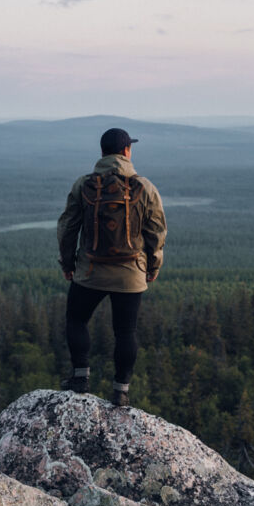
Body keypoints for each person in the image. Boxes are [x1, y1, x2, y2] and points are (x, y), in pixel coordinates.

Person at [56, 127, 167, 407]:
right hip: (131, 274)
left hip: (90, 271)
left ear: (103, 152)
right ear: (127, 151)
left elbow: (68, 227)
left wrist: (68, 264)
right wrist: (152, 266)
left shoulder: (84, 184)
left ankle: (80, 377)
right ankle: (121, 391)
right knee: (125, 332)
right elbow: (156, 232)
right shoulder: (145, 187)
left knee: (77, 320)